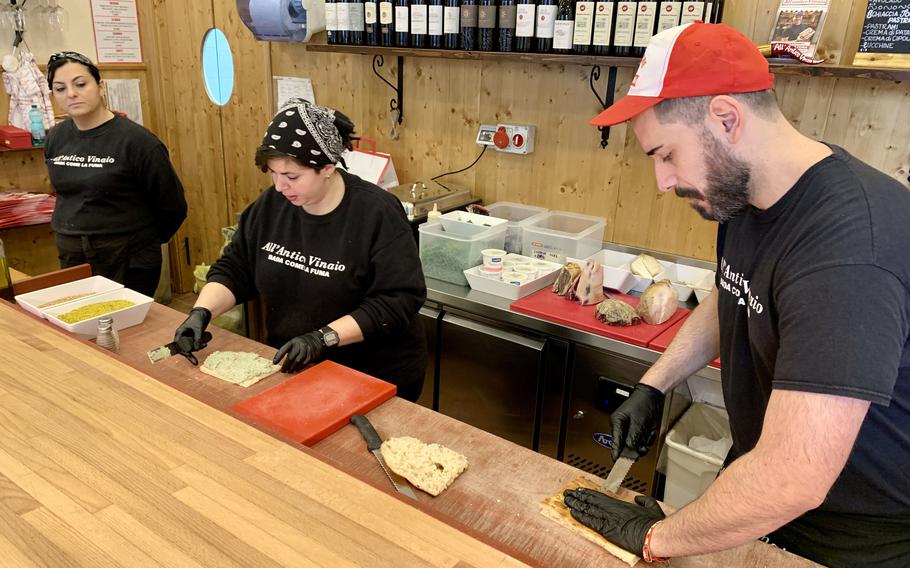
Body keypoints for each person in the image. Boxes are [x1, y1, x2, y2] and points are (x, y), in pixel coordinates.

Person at [563, 22, 910, 567]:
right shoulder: (748, 196)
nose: (661, 180)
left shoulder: (847, 251)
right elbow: (732, 295)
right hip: (761, 483)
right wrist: (656, 384)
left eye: (667, 154)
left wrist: (655, 538)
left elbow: (794, 477)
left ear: (727, 119)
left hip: (849, 535)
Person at [172, 98, 428, 401]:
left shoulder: (376, 214)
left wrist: (323, 338)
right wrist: (202, 312)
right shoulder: (272, 205)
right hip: (297, 367)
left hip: (372, 375)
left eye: (292, 176)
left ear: (328, 169)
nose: (280, 186)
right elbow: (237, 267)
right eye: (273, 173)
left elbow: (396, 301)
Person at [44, 51, 187, 297]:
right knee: (83, 327)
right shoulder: (56, 137)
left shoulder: (137, 142)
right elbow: (65, 194)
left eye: (80, 84)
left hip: (129, 255)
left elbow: (172, 205)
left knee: (128, 329)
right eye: (60, 88)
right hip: (73, 253)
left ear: (100, 86)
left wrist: (144, 242)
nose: (71, 94)